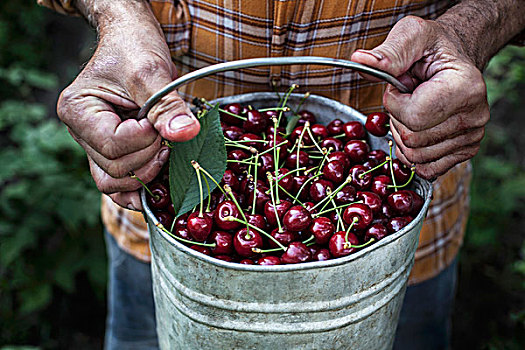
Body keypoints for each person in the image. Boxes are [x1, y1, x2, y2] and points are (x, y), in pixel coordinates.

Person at [38, 0, 525, 349]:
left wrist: (467, 32)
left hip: (399, 236)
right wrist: (117, 13)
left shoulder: (364, 200)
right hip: (162, 219)